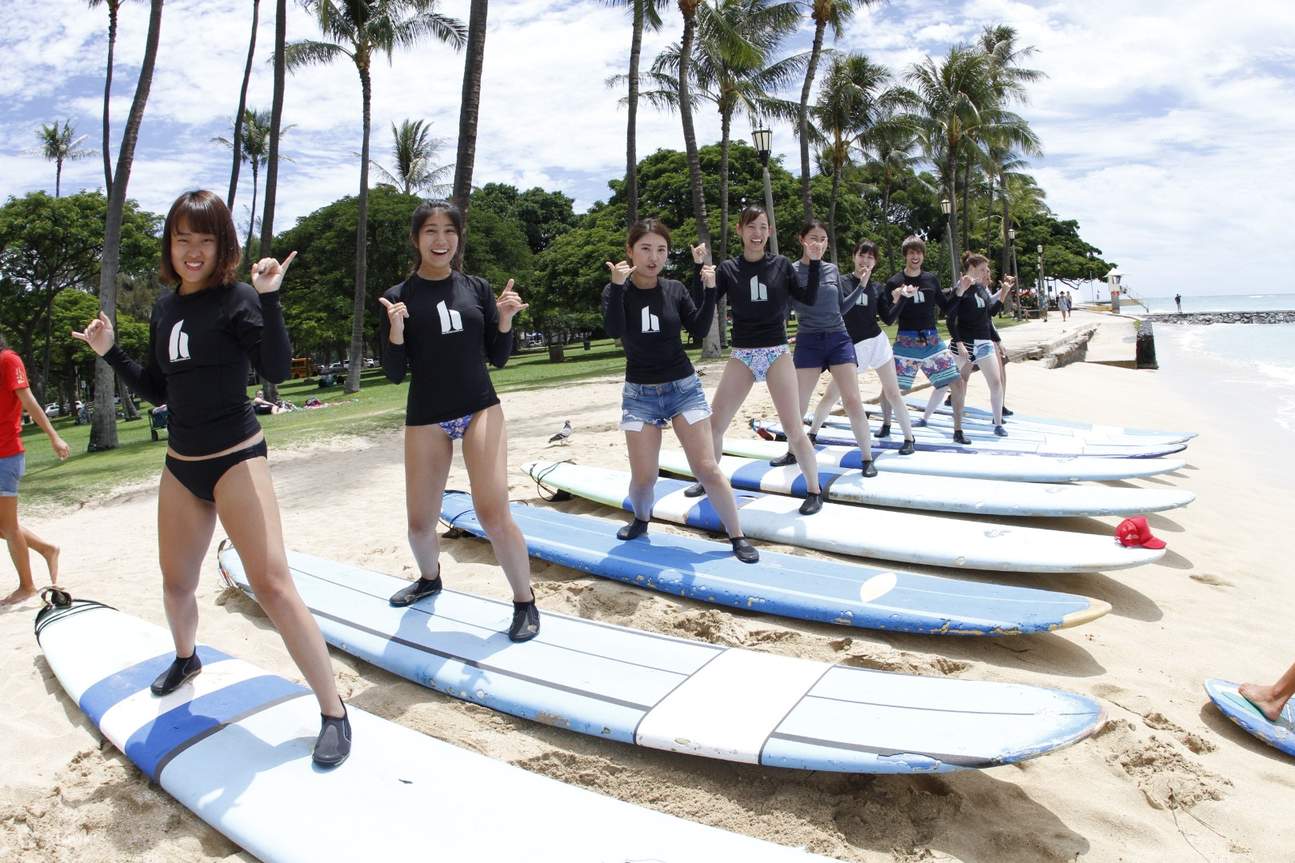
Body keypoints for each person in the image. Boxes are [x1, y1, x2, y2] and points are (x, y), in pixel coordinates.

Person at [73, 190, 350, 767]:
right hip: (182, 464)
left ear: (223, 245)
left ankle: (332, 708)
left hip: (236, 457)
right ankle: (186, 656)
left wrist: (270, 299)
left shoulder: (238, 299)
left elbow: (275, 370)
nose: (192, 250)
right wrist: (109, 352)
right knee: (176, 584)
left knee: (272, 584)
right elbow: (158, 390)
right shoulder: (164, 308)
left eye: (205, 239)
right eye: (182, 238)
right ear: (169, 245)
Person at [378, 200, 539, 641]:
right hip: (426, 416)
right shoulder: (397, 297)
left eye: (449, 231)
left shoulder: (477, 288)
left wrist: (504, 319)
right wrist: (395, 331)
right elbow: (393, 372)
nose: (440, 240)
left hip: (479, 407)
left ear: (457, 239)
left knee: (493, 512)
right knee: (419, 521)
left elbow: (499, 357)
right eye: (430, 231)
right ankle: (430, 578)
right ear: (416, 240)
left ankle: (524, 600)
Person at [601, 220, 757, 563]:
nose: (653, 257)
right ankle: (641, 519)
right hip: (639, 395)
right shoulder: (618, 291)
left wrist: (710, 287)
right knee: (645, 477)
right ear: (630, 251)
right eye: (645, 249)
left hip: (683, 389)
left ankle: (737, 536)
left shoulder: (673, 289)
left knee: (706, 467)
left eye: (661, 250)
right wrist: (615, 286)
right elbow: (613, 329)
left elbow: (700, 327)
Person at [683, 205, 826, 515]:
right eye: (751, 227)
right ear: (740, 231)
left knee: (793, 428)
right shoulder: (727, 270)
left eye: (763, 227)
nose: (757, 233)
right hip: (743, 353)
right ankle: (707, 479)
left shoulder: (782, 265)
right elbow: (703, 305)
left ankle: (814, 490)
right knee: (714, 424)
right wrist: (699, 272)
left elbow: (808, 298)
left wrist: (814, 263)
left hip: (776, 351)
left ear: (769, 232)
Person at [774, 226, 898, 472]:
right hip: (809, 341)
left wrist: (861, 286)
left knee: (852, 400)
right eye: (813, 239)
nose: (818, 244)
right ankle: (791, 451)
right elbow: (783, 309)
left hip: (838, 339)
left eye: (822, 239)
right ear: (802, 240)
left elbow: (840, 308)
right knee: (798, 402)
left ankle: (867, 458)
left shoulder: (831, 270)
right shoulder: (792, 272)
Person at [804, 240, 916, 453]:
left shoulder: (877, 288)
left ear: (875, 262)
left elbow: (888, 318)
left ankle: (909, 439)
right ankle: (812, 434)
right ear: (853, 256)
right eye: (862, 256)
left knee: (893, 393)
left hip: (877, 343)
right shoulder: (841, 282)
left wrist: (902, 298)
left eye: (870, 257)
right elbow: (837, 311)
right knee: (831, 395)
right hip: (849, 349)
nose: (865, 261)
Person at [879, 236, 967, 444]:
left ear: (923, 255)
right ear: (905, 256)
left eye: (918, 252)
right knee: (889, 387)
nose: (915, 256)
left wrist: (960, 292)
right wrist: (897, 297)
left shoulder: (931, 279)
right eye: (911, 252)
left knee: (957, 382)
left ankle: (958, 430)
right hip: (905, 342)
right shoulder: (894, 282)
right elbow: (888, 317)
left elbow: (946, 308)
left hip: (932, 341)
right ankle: (886, 424)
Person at [0, 338, 67, 606]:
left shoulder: (8, 360)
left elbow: (29, 400)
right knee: (2, 525)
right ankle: (47, 549)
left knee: (8, 525)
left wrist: (54, 436)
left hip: (6, 454)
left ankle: (27, 587)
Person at [946, 252, 1008, 435]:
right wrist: (959, 343)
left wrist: (1004, 292)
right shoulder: (961, 287)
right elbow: (951, 318)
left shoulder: (982, 289)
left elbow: (990, 315)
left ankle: (998, 424)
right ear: (972, 268)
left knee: (996, 383)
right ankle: (928, 416)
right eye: (982, 269)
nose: (986, 273)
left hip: (984, 343)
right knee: (950, 382)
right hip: (965, 343)